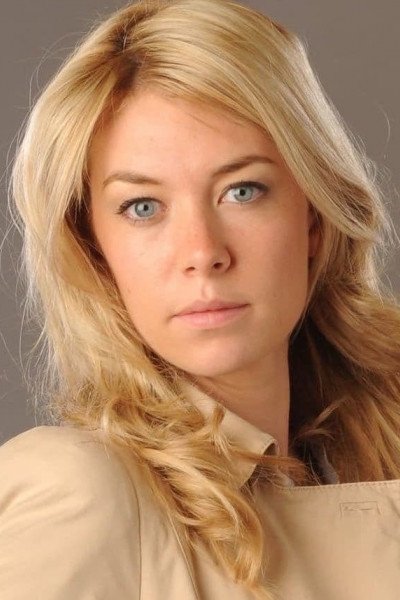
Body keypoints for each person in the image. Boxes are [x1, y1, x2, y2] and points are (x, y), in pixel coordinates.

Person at [1, 0, 399, 598]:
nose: (202, 251)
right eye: (142, 207)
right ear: (93, 247)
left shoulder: (372, 466)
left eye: (242, 191)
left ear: (314, 218)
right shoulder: (81, 491)